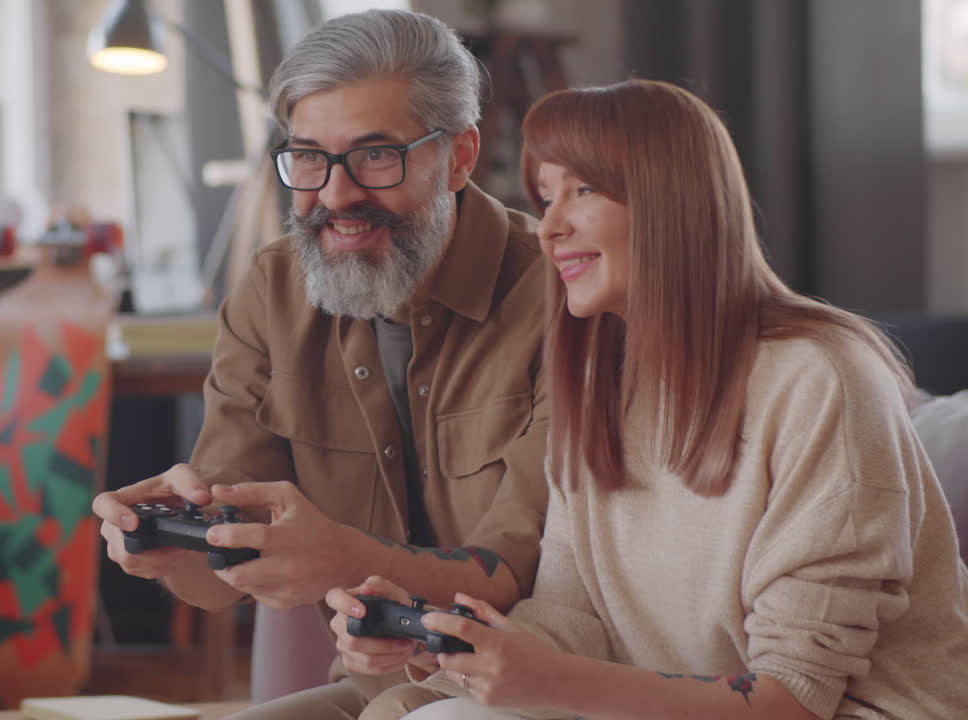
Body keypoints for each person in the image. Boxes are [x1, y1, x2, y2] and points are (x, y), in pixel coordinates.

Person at [327, 79, 968, 719]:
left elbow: (794, 699)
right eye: (545, 198)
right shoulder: (598, 386)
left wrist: (549, 683)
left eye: (582, 190)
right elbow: (571, 616)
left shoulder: (821, 380)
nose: (549, 228)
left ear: (673, 204)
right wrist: (445, 645)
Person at [91, 9, 553, 718]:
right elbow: (219, 582)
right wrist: (179, 542)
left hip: (530, 685)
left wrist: (337, 557)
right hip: (377, 687)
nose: (335, 196)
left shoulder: (559, 296)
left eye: (375, 156)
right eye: (308, 156)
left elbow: (521, 568)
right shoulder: (272, 290)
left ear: (459, 156)